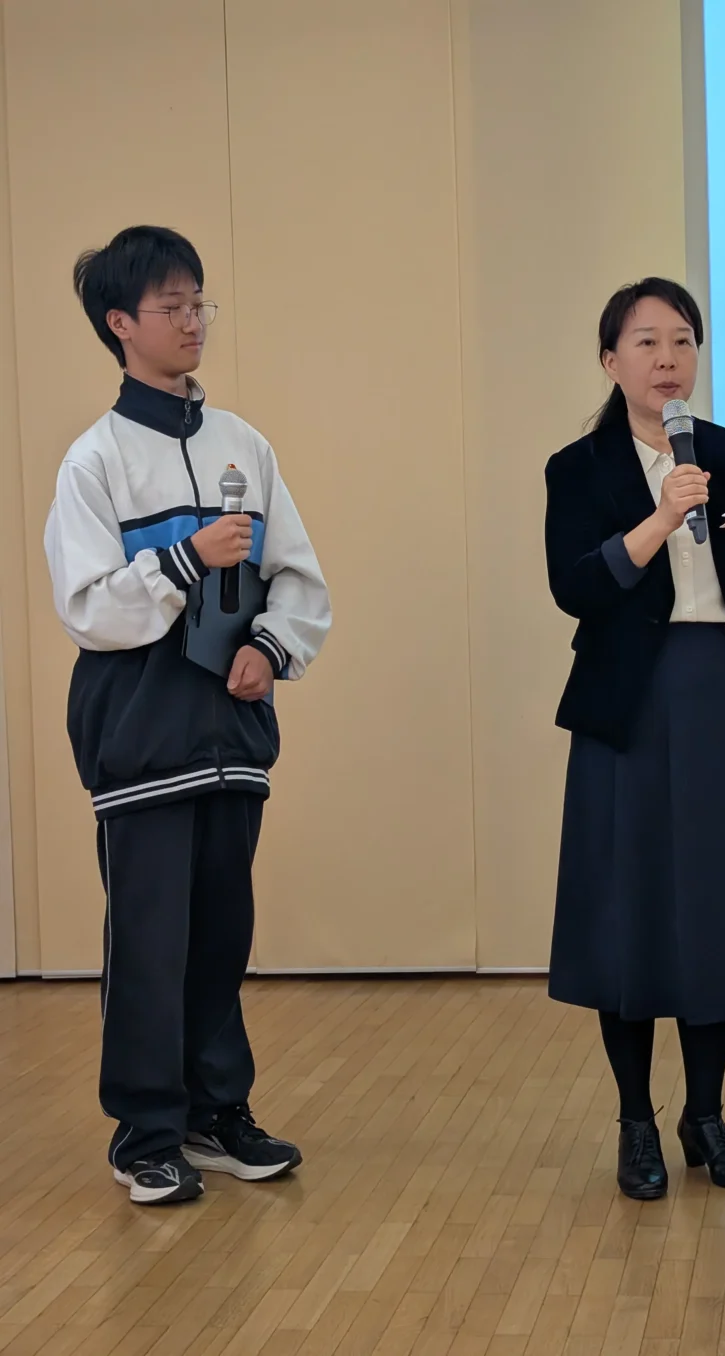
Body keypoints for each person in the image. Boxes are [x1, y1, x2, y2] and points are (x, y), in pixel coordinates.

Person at [44, 226, 331, 1206]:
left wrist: (269, 650)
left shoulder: (243, 442)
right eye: (171, 307)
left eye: (200, 302)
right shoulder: (94, 461)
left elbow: (300, 578)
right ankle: (145, 1134)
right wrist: (182, 558)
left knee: (220, 938)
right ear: (121, 325)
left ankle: (217, 1114)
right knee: (151, 943)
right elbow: (86, 606)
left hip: (233, 740)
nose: (192, 321)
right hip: (142, 739)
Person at [544, 277, 725, 1199]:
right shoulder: (577, 469)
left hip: (722, 694)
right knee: (629, 912)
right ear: (610, 360)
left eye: (682, 342)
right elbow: (576, 587)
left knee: (712, 911)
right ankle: (635, 1122)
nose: (667, 360)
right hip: (631, 702)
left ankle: (706, 1115)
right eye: (647, 343)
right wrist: (660, 515)